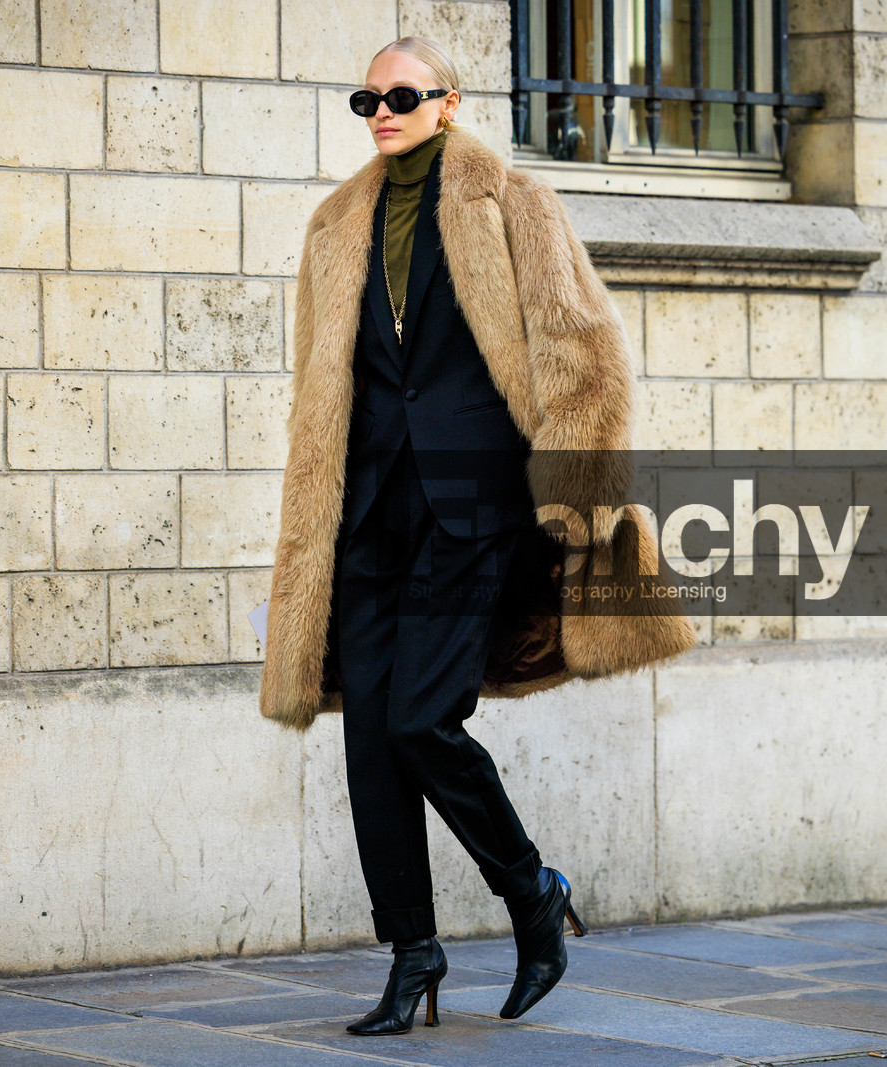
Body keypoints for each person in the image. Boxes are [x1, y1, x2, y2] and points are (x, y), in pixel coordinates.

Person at [260, 35, 696, 1038]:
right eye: (365, 94)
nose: (382, 109)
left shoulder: (512, 201)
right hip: (367, 511)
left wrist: (578, 489)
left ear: (448, 103)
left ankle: (530, 887)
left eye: (401, 94)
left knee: (420, 716)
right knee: (372, 741)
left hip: (474, 501)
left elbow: (581, 345)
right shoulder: (335, 225)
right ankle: (412, 955)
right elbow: (322, 388)